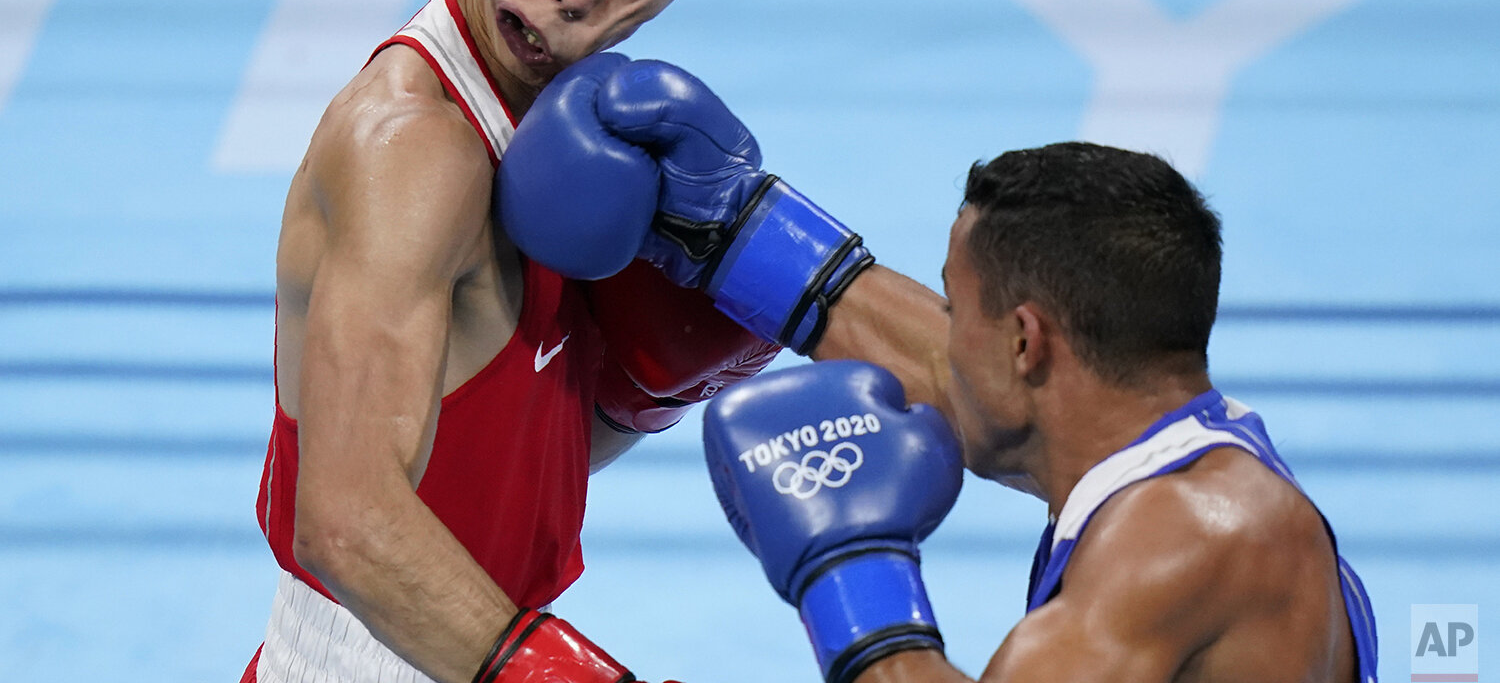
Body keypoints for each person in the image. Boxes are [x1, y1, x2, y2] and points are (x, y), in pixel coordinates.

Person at [497, 88, 1379, 682]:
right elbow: (937, 361)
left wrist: (852, 573)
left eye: (960, 311)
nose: (944, 341)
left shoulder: (1183, 537)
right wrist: (735, 229)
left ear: (1028, 342)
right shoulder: (1179, 453)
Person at [240, 0, 774, 683]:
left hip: (470, 640)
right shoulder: (412, 147)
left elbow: (495, 466)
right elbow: (348, 521)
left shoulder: (582, 138)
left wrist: (645, 390)